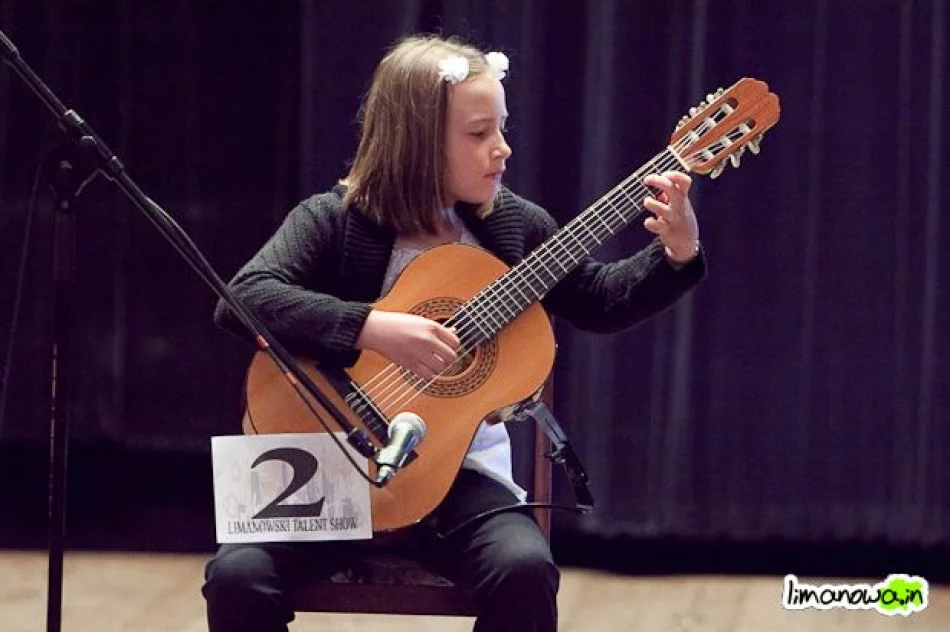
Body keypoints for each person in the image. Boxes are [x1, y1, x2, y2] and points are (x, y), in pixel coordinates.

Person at [202, 33, 705, 632]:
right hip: (324, 461)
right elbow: (243, 299)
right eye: (478, 133)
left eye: (502, 128)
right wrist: (372, 328)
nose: (502, 148)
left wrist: (677, 251)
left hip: (457, 476)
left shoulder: (513, 227)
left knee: (523, 570)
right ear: (414, 141)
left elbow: (598, 301)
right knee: (238, 578)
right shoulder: (331, 220)